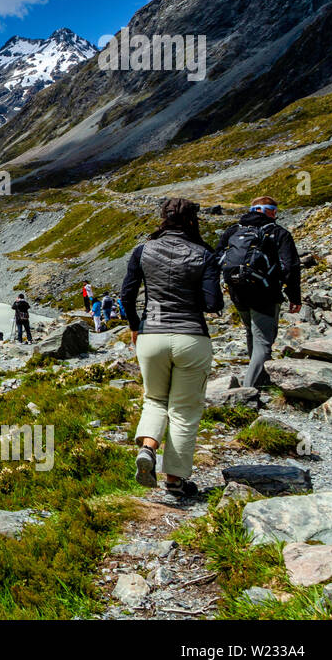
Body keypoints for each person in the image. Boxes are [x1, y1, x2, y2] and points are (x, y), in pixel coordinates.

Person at [120, 197, 223, 499]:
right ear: (193, 220)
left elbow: (127, 295)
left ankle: (148, 450)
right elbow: (213, 303)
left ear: (162, 218)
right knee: (184, 411)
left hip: (151, 336)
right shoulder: (205, 254)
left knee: (154, 400)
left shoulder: (143, 250)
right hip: (191, 337)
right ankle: (175, 481)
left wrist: (136, 326)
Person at [214, 196, 302, 390]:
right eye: (275, 211)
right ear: (269, 211)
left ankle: (260, 379)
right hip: (266, 294)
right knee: (263, 339)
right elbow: (290, 267)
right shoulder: (278, 233)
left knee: (251, 332)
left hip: (237, 292)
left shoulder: (233, 230)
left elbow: (217, 259)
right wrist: (294, 297)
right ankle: (248, 390)